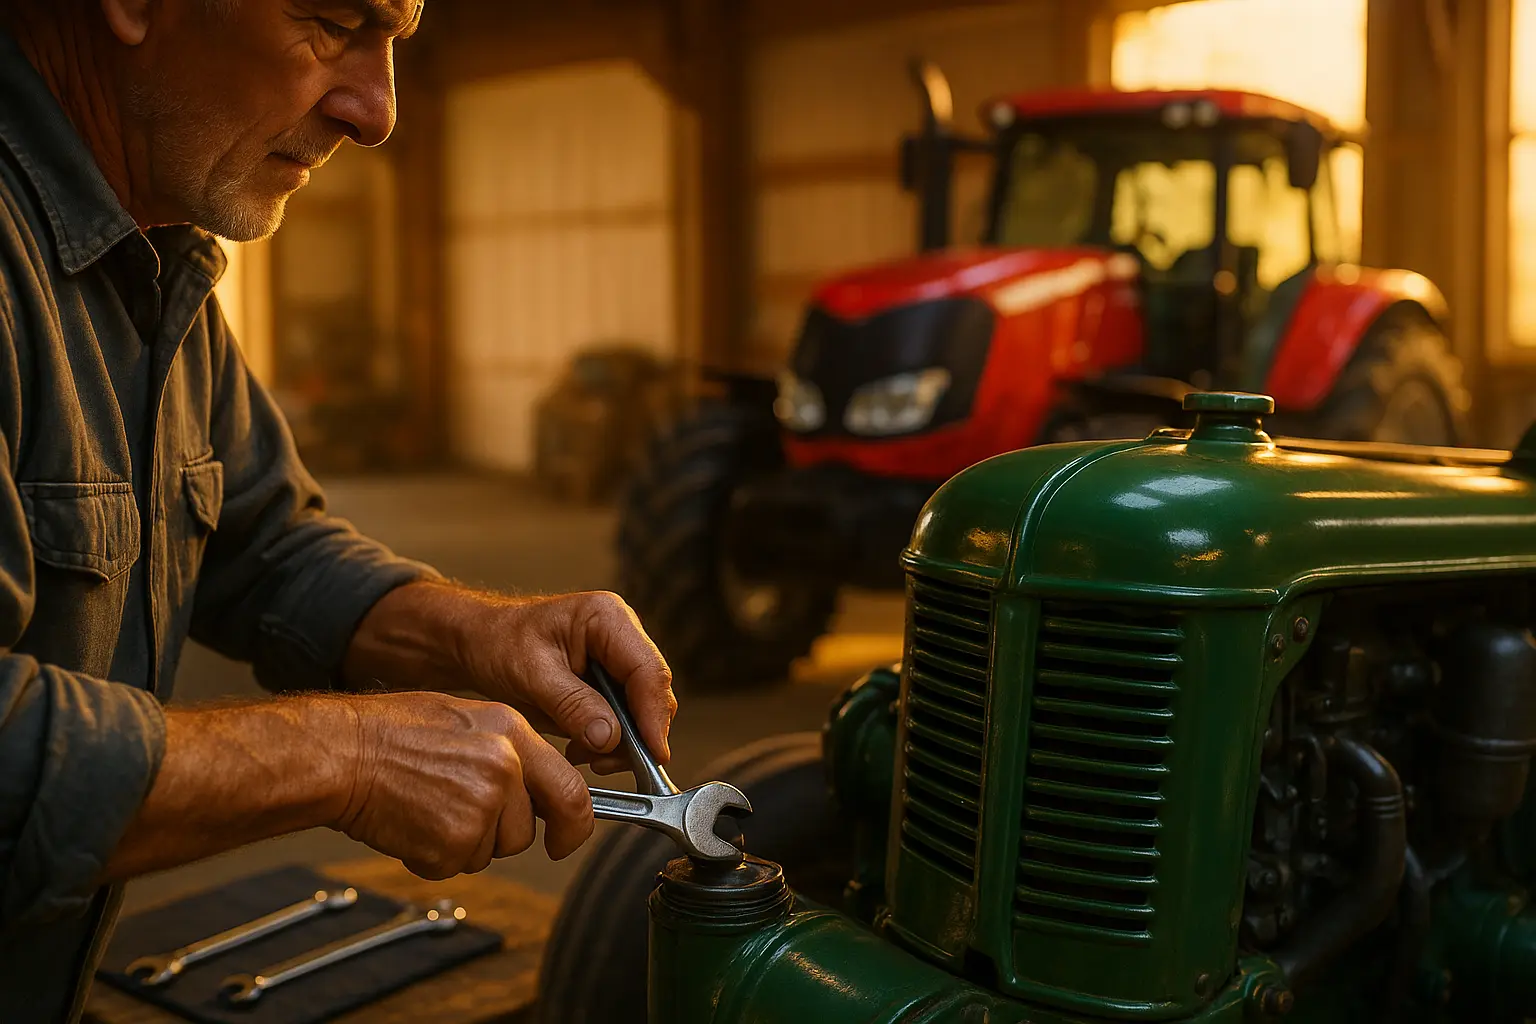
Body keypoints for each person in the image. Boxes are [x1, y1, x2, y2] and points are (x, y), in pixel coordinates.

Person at [0, 1, 678, 1019]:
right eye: (330, 22)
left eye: (396, 40)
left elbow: (264, 546)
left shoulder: (155, 251)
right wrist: (344, 756)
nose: (378, 113)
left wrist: (475, 634)